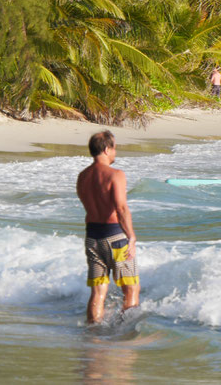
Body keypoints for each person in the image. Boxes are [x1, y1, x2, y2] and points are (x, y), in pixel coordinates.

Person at [76, 131, 139, 324]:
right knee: (130, 288)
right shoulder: (116, 175)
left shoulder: (83, 176)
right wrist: (131, 237)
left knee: (98, 290)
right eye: (114, 149)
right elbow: (121, 208)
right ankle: (127, 330)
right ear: (106, 149)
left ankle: (93, 333)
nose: (115, 153)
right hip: (115, 237)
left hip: (92, 238)